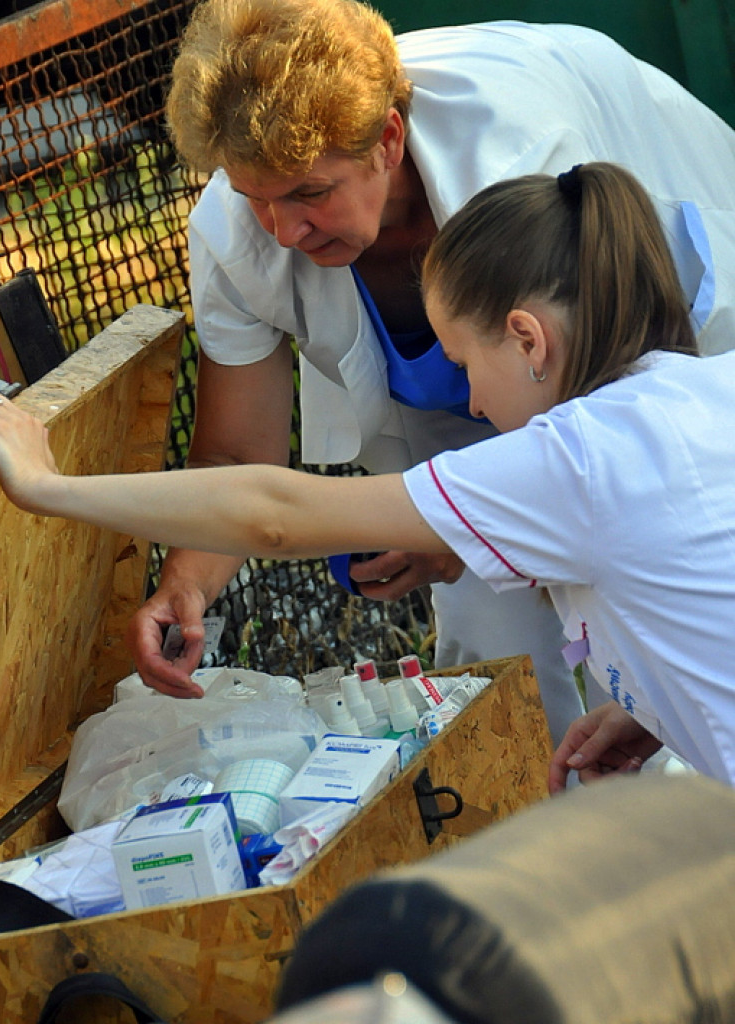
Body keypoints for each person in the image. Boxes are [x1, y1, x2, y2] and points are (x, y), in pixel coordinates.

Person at [0, 161, 735, 787]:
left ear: (528, 340)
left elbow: (276, 513)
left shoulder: (572, 458)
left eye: (464, 364)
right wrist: (658, 705)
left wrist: (49, 487)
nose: (469, 401)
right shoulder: (702, 389)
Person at [127, 0, 735, 749]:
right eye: (256, 199)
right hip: (512, 388)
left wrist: (463, 528)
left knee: (649, 624)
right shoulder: (233, 232)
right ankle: (530, 807)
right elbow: (235, 456)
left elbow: (599, 466)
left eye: (310, 193)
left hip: (641, 355)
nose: (283, 232)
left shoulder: (521, 159)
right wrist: (186, 583)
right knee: (487, 645)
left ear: (388, 139)